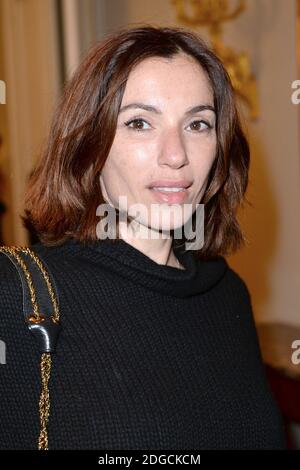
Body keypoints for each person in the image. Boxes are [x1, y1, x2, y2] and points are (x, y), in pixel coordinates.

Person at [0, 25, 286, 450]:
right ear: (88, 143)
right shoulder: (16, 297)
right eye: (139, 122)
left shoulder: (228, 295)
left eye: (198, 124)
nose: (176, 155)